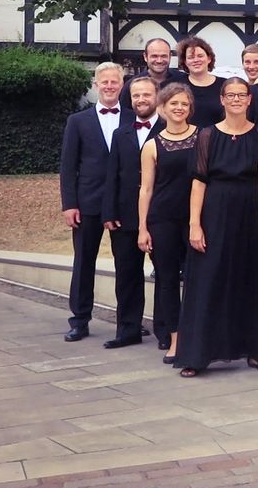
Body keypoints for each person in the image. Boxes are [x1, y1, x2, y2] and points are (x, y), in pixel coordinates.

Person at [175, 77, 258, 377]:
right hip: (215, 213)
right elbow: (198, 182)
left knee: (255, 281)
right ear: (221, 99)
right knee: (208, 280)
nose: (235, 100)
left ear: (249, 100)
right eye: (229, 95)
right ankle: (197, 354)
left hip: (251, 214)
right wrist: (195, 224)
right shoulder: (207, 136)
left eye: (240, 95)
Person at [59, 62, 136, 342]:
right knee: (84, 262)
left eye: (114, 81)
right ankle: (79, 319)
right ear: (96, 85)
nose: (109, 86)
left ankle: (129, 322)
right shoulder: (77, 121)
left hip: (123, 203)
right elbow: (68, 166)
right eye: (104, 82)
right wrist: (69, 204)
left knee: (127, 263)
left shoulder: (132, 117)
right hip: (87, 201)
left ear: (121, 84)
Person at [101, 76, 164, 349]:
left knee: (165, 274)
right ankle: (128, 330)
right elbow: (112, 174)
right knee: (127, 273)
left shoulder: (169, 129)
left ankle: (166, 331)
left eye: (146, 95)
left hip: (162, 213)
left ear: (157, 96)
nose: (141, 100)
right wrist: (108, 211)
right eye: (136, 95)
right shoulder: (121, 132)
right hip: (125, 214)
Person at [137, 84, 198, 364]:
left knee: (199, 279)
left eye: (184, 103)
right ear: (162, 108)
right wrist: (142, 227)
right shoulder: (152, 145)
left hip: (197, 219)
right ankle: (175, 339)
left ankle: (198, 336)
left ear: (190, 108)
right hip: (163, 219)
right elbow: (146, 189)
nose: (179, 108)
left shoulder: (203, 137)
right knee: (168, 281)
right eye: (173, 103)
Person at [122, 38, 188, 110]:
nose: (159, 61)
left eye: (163, 56)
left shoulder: (183, 80)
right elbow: (125, 114)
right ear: (145, 57)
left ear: (170, 56)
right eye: (154, 56)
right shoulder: (131, 85)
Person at [177, 37, 225, 129]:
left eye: (200, 56)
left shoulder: (225, 85)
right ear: (185, 62)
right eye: (191, 57)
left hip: (216, 139)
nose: (196, 60)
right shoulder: (177, 85)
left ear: (209, 58)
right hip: (185, 140)